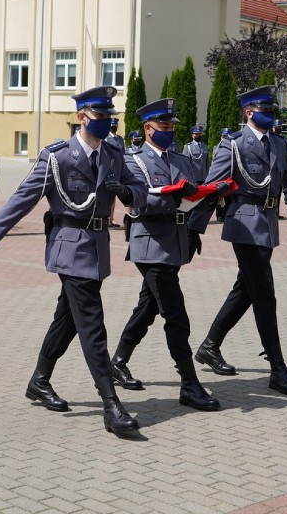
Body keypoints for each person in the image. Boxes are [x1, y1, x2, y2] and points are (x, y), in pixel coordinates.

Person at [0, 86, 147, 436]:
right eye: (100, 117)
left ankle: (39, 380)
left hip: (97, 247)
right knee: (92, 324)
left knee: (68, 319)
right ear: (82, 117)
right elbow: (22, 199)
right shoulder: (57, 157)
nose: (107, 124)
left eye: (111, 118)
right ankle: (111, 404)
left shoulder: (113, 154)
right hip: (70, 247)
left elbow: (139, 191)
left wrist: (127, 193)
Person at [188, 85, 287, 396]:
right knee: (264, 292)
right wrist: (194, 228)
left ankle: (210, 346)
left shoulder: (279, 144)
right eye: (265, 111)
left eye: (272, 110)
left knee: (247, 289)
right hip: (243, 222)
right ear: (249, 113)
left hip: (268, 223)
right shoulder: (234, 145)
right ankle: (278, 368)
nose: (271, 115)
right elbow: (213, 187)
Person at [109, 98, 219, 411]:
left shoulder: (182, 160)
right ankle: (189, 383)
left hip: (175, 242)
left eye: (172, 127)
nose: (169, 131)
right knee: (175, 312)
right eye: (163, 127)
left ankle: (118, 361)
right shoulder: (133, 160)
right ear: (147, 128)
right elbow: (139, 202)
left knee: (149, 306)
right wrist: (173, 198)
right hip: (149, 243)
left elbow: (195, 194)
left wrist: (197, 221)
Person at [105, 118, 125, 227]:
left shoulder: (120, 139)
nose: (114, 127)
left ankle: (111, 218)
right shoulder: (105, 138)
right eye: (112, 125)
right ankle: (106, 218)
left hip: (117, 169)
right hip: (108, 170)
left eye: (115, 125)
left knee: (113, 196)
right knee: (107, 195)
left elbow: (123, 154)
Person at [214, 127, 233, 222]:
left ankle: (227, 214)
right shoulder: (216, 148)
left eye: (227, 136)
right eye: (223, 136)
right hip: (220, 176)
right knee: (220, 196)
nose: (225, 138)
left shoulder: (235, 148)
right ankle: (220, 215)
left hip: (231, 176)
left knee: (229, 197)